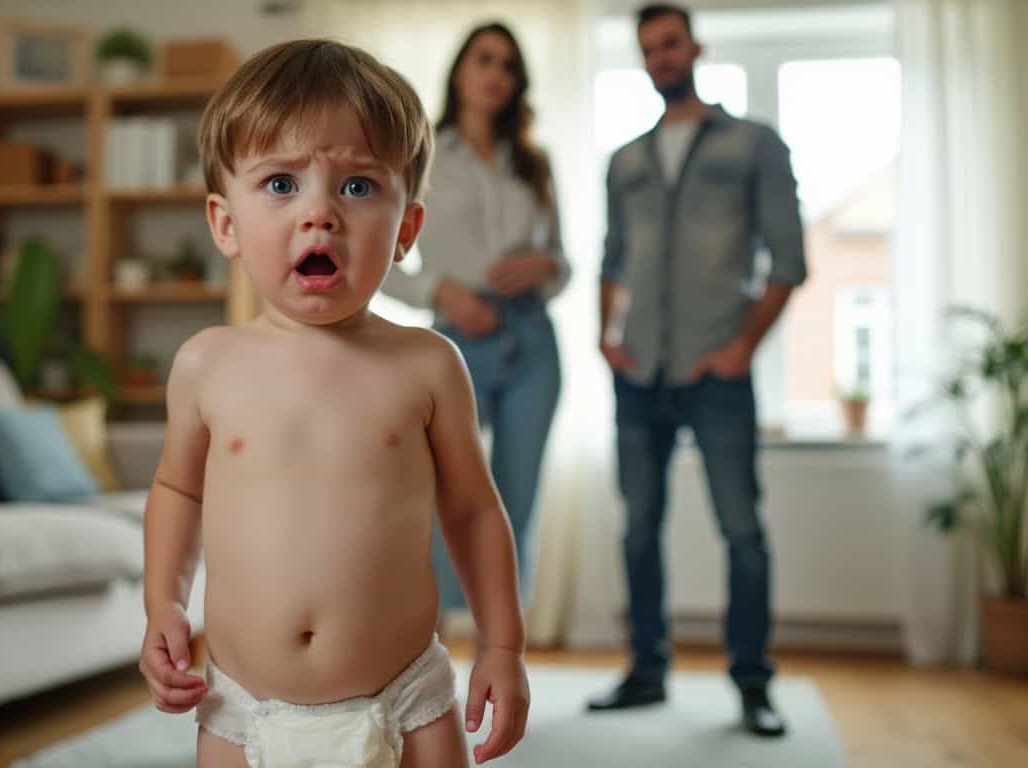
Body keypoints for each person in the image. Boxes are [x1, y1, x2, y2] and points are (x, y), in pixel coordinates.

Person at [137, 39, 530, 767]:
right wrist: (164, 602)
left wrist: (502, 645)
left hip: (406, 701)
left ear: (407, 228)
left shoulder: (427, 365)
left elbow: (475, 510)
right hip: (241, 708)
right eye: (281, 184)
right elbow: (177, 490)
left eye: (356, 187)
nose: (319, 214)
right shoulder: (206, 365)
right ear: (225, 224)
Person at [587, 3, 806, 738]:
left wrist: (744, 345)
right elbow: (611, 259)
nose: (662, 58)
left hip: (717, 373)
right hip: (637, 373)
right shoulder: (625, 160)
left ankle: (752, 684)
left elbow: (789, 260)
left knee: (741, 530)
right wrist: (604, 335)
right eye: (649, 49)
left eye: (671, 44)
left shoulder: (753, 145)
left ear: (695, 47)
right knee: (637, 529)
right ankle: (645, 671)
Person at [382, 22, 569, 632]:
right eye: (485, 60)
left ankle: (502, 652)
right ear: (461, 69)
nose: (497, 74)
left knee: (516, 501)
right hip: (456, 339)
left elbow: (563, 264)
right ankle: (423, 649)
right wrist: (439, 290)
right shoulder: (422, 154)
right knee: (441, 497)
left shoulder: (534, 163)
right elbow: (379, 255)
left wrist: (546, 265)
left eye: (509, 65)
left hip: (532, 337)